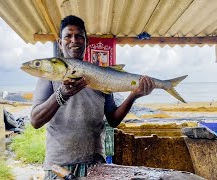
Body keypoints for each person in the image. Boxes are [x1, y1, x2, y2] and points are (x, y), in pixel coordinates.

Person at [31, 15, 155, 179]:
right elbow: (35, 120)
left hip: (95, 163)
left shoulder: (100, 75)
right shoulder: (49, 77)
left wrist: (134, 95)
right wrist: (61, 94)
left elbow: (113, 119)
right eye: (68, 36)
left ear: (86, 42)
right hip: (59, 165)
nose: (74, 40)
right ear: (60, 43)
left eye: (79, 36)